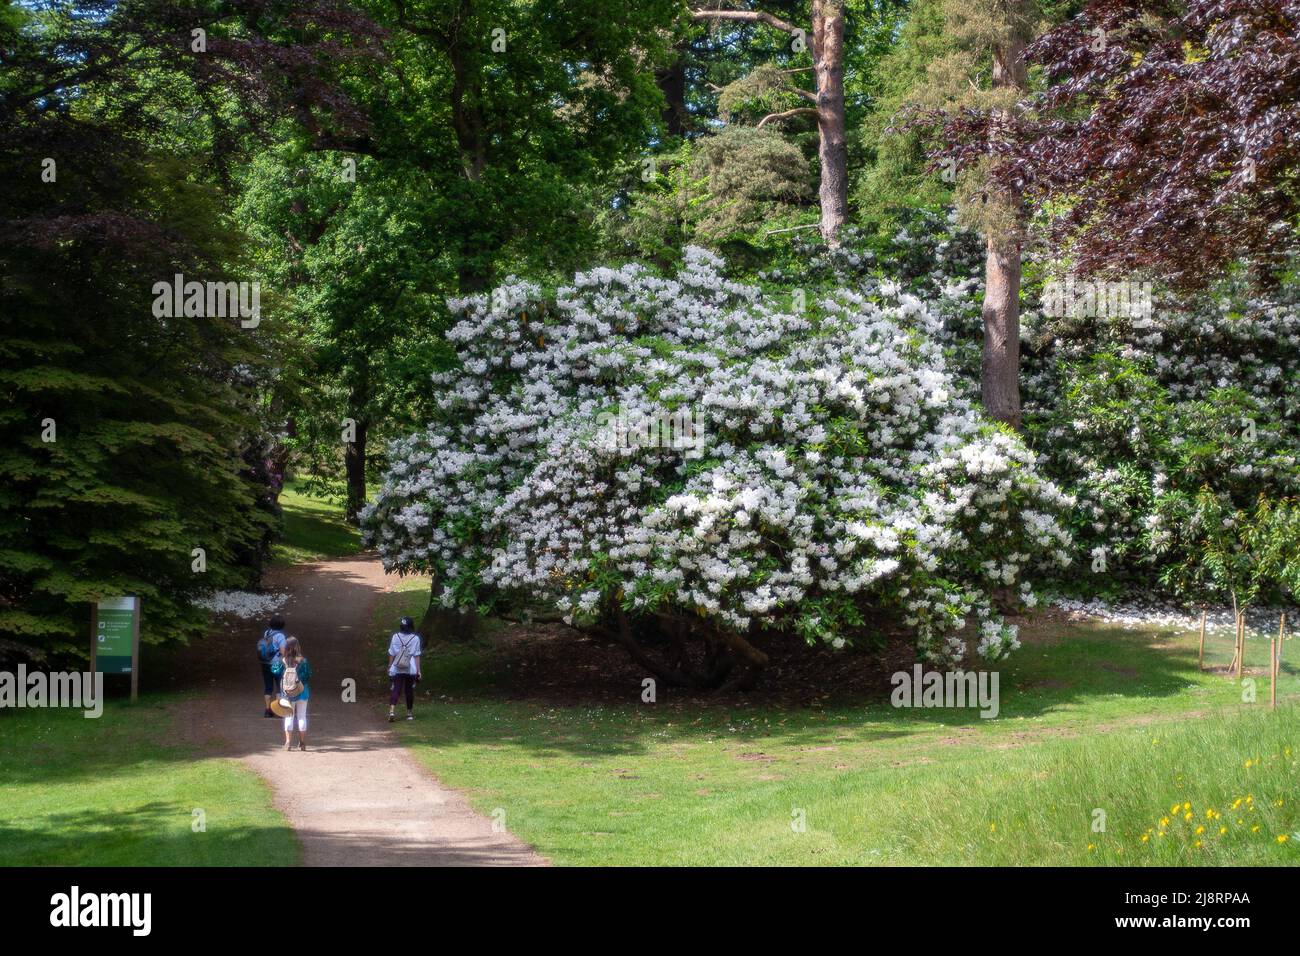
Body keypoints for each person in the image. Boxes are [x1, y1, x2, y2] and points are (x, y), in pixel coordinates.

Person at [272, 637, 312, 751]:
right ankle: (302, 743)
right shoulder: (303, 660)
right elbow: (308, 674)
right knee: (302, 716)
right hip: (302, 691)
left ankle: (288, 742)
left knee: (289, 716)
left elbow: (274, 670)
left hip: (287, 692)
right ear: (298, 646)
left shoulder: (283, 660)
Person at [387, 617, 422, 722]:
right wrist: (418, 671)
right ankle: (409, 713)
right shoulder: (415, 638)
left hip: (397, 667)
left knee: (396, 688)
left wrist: (389, 666)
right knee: (409, 690)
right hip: (410, 668)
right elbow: (416, 655)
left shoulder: (395, 637)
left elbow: (392, 653)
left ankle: (392, 711)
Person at [257, 616, 287, 717]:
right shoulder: (280, 636)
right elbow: (282, 651)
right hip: (276, 664)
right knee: (279, 686)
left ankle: (267, 710)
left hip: (264, 663)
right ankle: (278, 709)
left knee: (268, 686)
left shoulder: (267, 633)